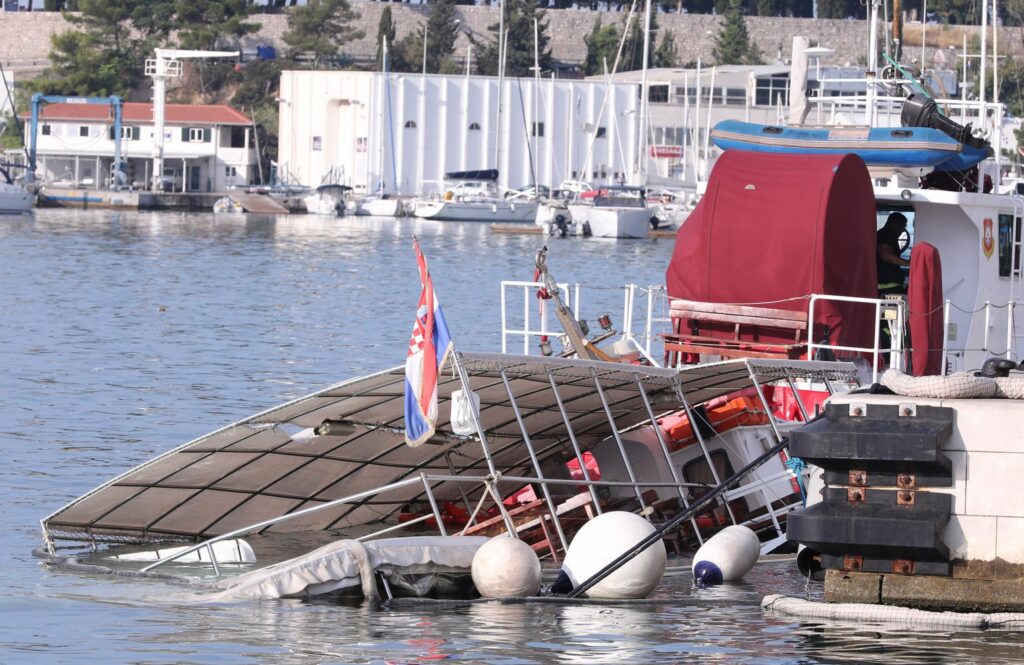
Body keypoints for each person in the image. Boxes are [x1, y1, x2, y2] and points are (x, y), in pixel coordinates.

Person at [877, 212, 911, 296]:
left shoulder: (881, 234)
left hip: (888, 285)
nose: (903, 230)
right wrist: (909, 263)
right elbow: (885, 255)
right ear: (896, 224)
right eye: (903, 226)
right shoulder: (886, 235)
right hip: (887, 286)